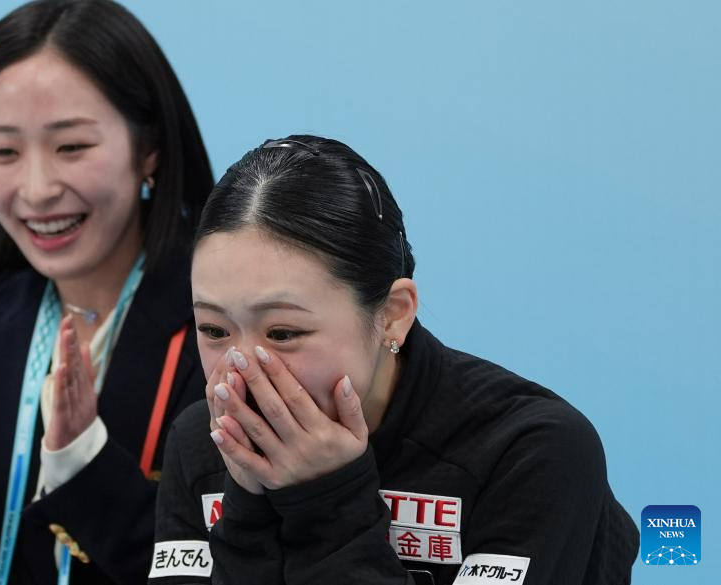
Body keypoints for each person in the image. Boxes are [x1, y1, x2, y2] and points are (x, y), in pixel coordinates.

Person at [151, 135, 639, 584]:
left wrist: (328, 501)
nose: (241, 370)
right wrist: (247, 508)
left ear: (393, 314)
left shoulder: (531, 451)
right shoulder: (203, 446)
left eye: (283, 333)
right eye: (214, 330)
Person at [0, 1, 214, 583]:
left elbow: (217, 567)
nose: (37, 189)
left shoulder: (219, 325)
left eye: (70, 147)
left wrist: (83, 463)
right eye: (3, 151)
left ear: (148, 148)